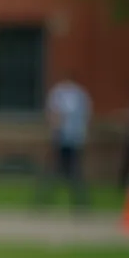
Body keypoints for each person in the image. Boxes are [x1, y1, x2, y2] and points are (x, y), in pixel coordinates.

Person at [33, 72, 91, 212]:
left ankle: (79, 203)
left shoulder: (75, 95)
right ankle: (45, 201)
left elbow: (55, 115)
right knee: (56, 171)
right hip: (65, 138)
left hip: (71, 138)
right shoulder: (69, 94)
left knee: (71, 172)